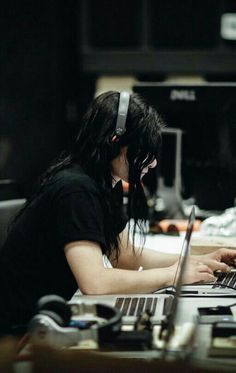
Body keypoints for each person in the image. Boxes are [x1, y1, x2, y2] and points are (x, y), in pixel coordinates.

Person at [0, 90, 235, 335]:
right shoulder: (75, 189)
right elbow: (95, 283)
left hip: (53, 315)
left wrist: (196, 261)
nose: (153, 163)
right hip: (22, 330)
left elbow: (126, 256)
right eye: (145, 150)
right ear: (115, 142)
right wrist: (171, 275)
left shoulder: (104, 182)